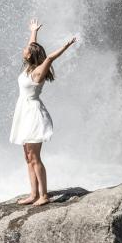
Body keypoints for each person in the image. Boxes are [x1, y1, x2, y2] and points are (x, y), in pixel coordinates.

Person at [10, 17, 76, 206]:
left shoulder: (38, 72)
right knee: (27, 157)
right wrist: (34, 31)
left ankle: (44, 195)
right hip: (24, 112)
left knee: (35, 156)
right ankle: (33, 194)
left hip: (33, 114)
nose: (24, 50)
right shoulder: (28, 68)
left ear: (31, 55)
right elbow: (33, 45)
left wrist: (66, 46)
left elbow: (49, 57)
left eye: (26, 50)